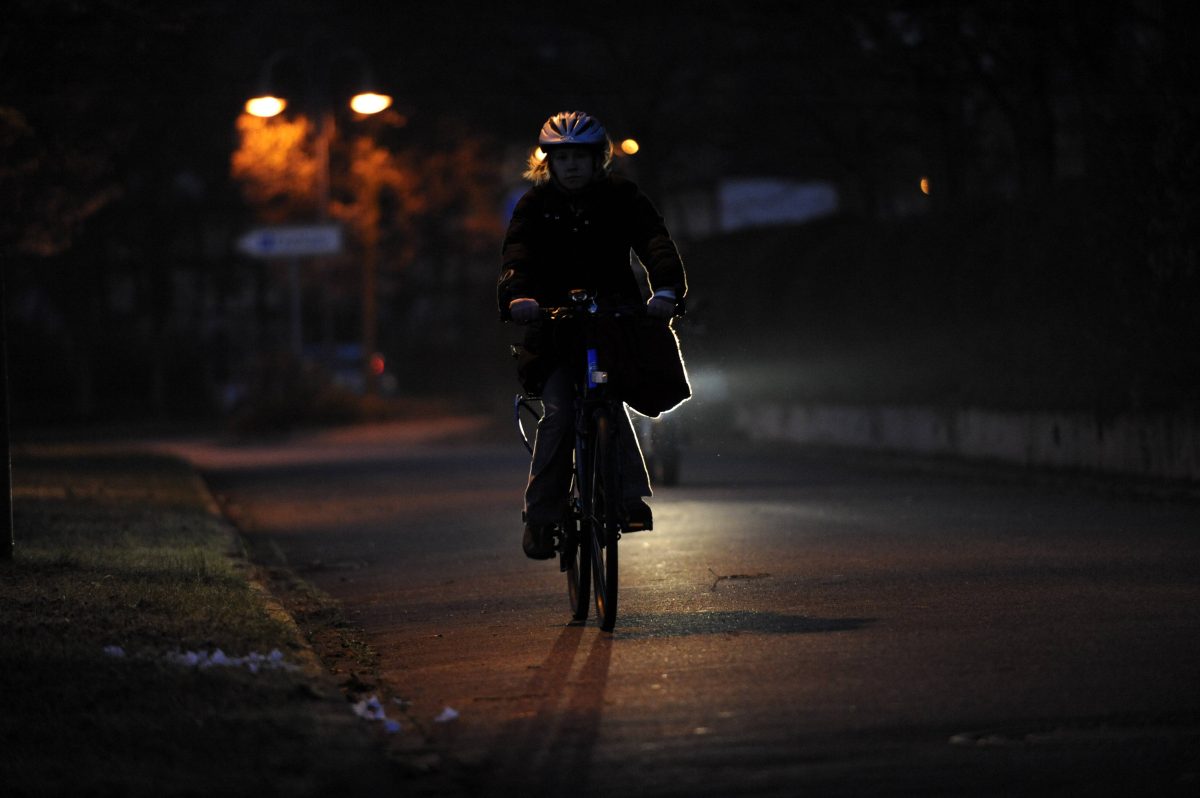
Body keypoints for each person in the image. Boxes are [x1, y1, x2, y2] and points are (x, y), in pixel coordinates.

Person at [498, 110, 689, 560]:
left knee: (610, 398)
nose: (571, 165)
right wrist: (517, 297)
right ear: (548, 161)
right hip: (553, 327)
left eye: (580, 156)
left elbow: (654, 242)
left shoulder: (622, 196)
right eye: (562, 157)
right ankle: (541, 518)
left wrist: (665, 289)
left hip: (613, 320)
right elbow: (518, 254)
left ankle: (627, 499)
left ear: (598, 158)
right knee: (561, 412)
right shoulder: (534, 204)